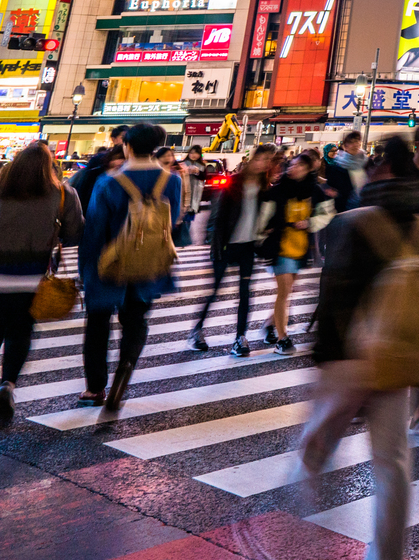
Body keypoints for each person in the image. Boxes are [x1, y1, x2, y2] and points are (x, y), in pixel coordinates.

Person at [299, 135, 419, 560]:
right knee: (392, 461)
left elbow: (335, 295)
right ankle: (386, 557)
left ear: (381, 168)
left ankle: (301, 533)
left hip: (354, 357)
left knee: (315, 446)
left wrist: (325, 359)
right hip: (402, 353)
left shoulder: (354, 220)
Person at [0, 142, 83, 430]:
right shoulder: (64, 195)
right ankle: (8, 384)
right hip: (32, 283)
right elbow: (75, 233)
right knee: (20, 335)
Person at [78, 122, 182, 409]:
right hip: (148, 261)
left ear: (128, 146)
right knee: (136, 320)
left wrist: (85, 269)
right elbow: (169, 224)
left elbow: (95, 230)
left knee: (98, 323)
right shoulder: (172, 181)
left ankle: (95, 388)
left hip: (109, 263)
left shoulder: (109, 182)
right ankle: (125, 367)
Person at [188, 144, 275, 356]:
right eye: (261, 159)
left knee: (245, 293)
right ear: (253, 160)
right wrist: (216, 246)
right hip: (227, 245)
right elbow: (216, 218)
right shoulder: (234, 183)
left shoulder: (266, 187)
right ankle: (196, 331)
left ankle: (240, 337)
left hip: (248, 246)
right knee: (215, 290)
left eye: (268, 160)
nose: (264, 164)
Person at [261, 152, 331, 352]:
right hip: (280, 247)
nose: (293, 168)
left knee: (288, 292)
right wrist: (264, 232)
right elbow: (264, 214)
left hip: (300, 248)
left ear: (308, 170)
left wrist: (309, 223)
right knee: (284, 293)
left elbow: (327, 213)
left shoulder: (314, 190)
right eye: (292, 164)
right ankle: (282, 339)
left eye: (299, 165)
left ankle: (269, 325)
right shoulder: (278, 190)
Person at [326, 129, 368, 211]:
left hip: (364, 206)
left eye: (357, 141)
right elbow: (332, 189)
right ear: (345, 146)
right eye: (351, 142)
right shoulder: (337, 165)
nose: (355, 144)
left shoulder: (366, 162)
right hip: (344, 208)